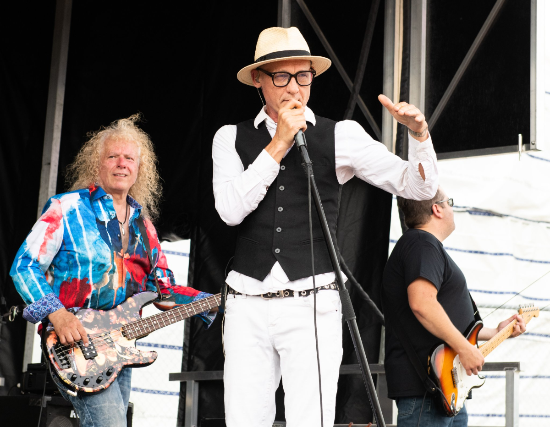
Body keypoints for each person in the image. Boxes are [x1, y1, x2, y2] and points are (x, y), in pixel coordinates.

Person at [212, 26, 439, 427]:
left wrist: (420, 136)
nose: (294, 87)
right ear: (259, 80)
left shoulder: (341, 135)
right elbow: (230, 210)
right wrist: (278, 145)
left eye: (303, 76)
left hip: (313, 302)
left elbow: (417, 187)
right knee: (245, 419)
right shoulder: (230, 138)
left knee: (311, 419)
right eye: (282, 76)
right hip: (247, 303)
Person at [11, 114, 215, 427]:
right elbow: (24, 266)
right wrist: (58, 314)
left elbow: (164, 291)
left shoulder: (145, 227)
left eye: (129, 158)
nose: (121, 163)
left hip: (120, 346)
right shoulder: (66, 208)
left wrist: (213, 301)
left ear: (140, 169)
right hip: (75, 345)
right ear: (97, 164)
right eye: (112, 156)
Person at [381, 187, 526, 426]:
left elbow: (447, 319)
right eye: (449, 202)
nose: (452, 208)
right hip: (427, 390)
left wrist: (496, 331)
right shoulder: (422, 244)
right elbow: (422, 304)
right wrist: (464, 348)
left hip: (444, 391)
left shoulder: (424, 246)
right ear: (437, 209)